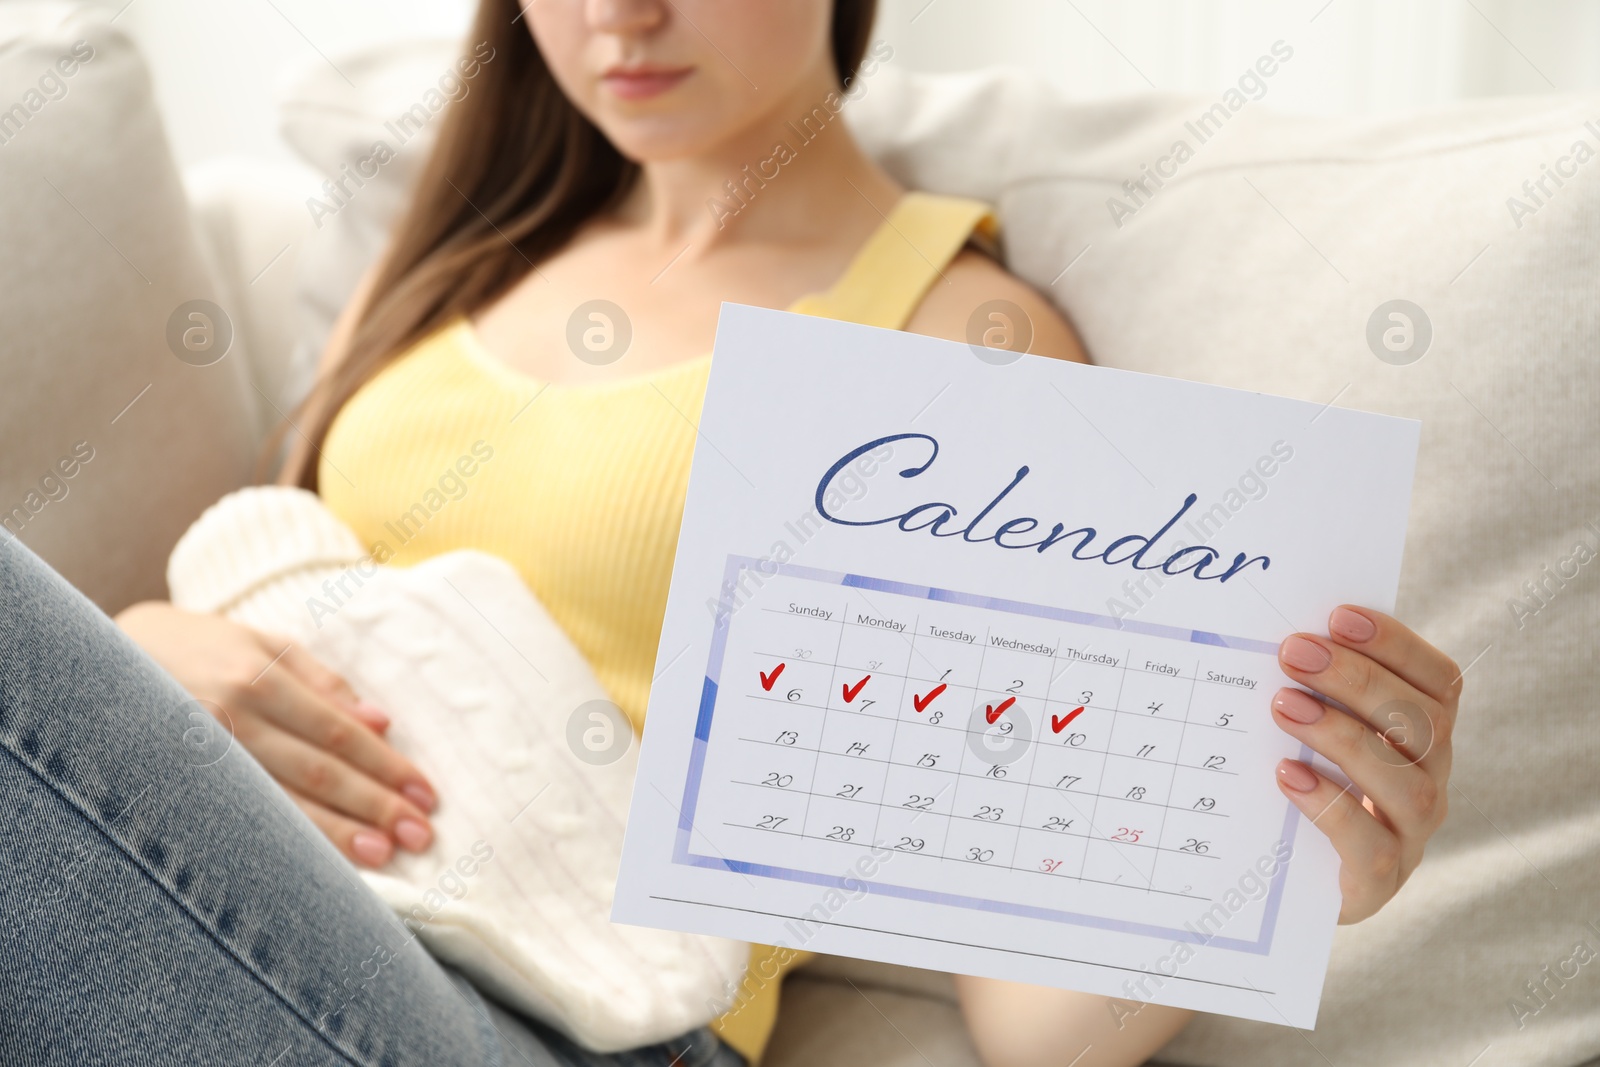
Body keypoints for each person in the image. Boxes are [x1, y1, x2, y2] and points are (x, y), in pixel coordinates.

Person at [101, 1, 1462, 1065]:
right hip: (241, 903)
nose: (616, 14)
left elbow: (1027, 1013)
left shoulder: (952, 337)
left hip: (564, 1022)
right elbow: (271, 583)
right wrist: (147, 661)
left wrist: (1273, 871)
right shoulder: (452, 268)